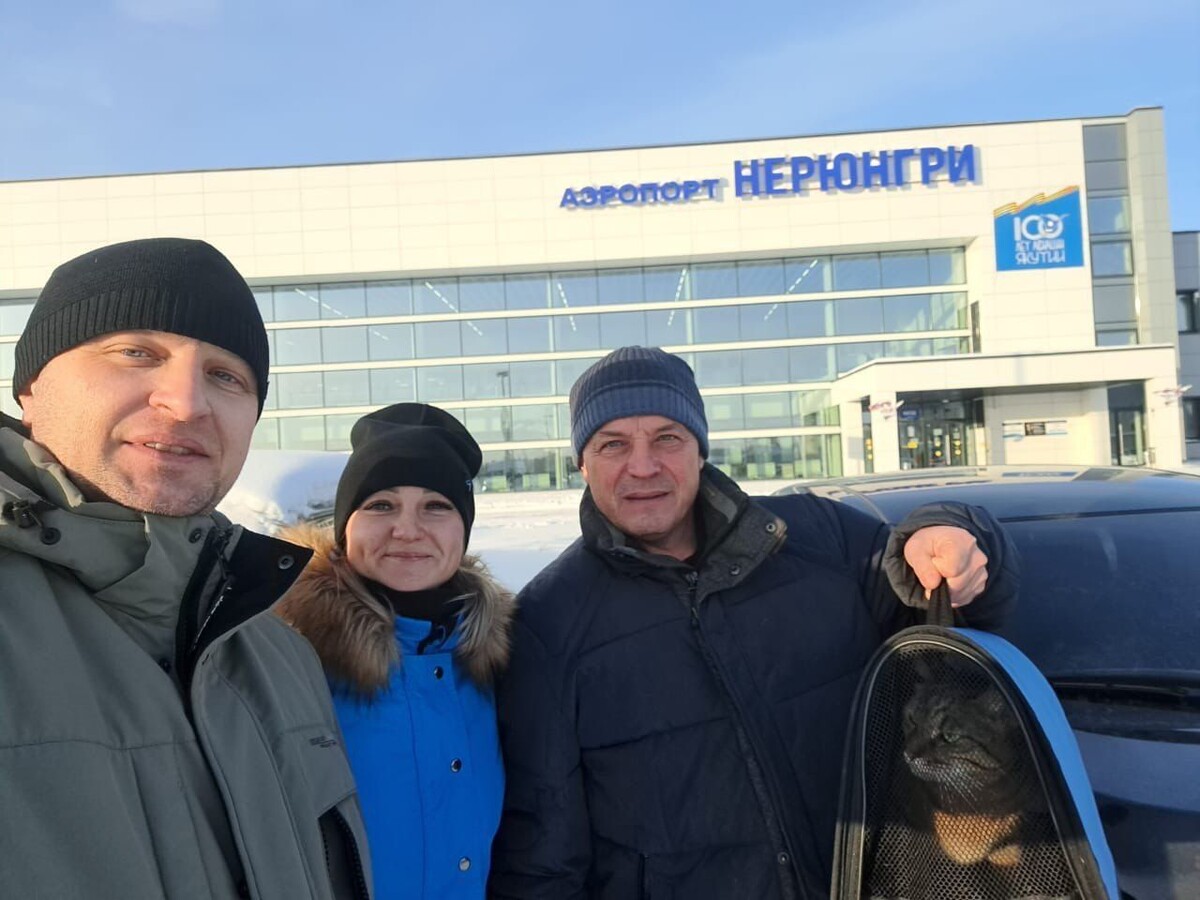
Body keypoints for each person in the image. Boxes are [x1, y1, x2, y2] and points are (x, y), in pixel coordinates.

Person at [488, 346, 1019, 899]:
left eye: (667, 438)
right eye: (613, 444)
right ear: (582, 463)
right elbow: (543, 855)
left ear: (699, 450)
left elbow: (946, 604)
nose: (642, 466)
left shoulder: (819, 538)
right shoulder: (549, 623)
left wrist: (952, 533)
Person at [0, 238, 372, 900]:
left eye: (226, 376)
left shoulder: (280, 653)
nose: (188, 402)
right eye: (137, 353)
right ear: (31, 386)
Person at [277, 403, 515, 900]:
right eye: (381, 505)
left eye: (436, 506)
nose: (407, 529)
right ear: (345, 525)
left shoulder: (499, 659)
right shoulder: (282, 657)